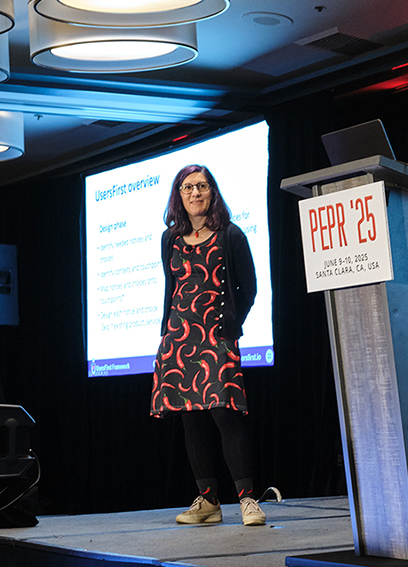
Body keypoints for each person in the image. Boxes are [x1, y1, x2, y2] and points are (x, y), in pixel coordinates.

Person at [151, 164, 265, 526]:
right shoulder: (170, 239)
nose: (195, 193)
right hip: (178, 338)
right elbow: (173, 288)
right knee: (191, 420)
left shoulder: (230, 235)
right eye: (187, 188)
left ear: (212, 192)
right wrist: (168, 332)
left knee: (225, 415)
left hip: (215, 337)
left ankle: (248, 500)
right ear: (178, 196)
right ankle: (208, 501)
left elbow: (249, 288)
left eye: (201, 186)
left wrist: (231, 326)